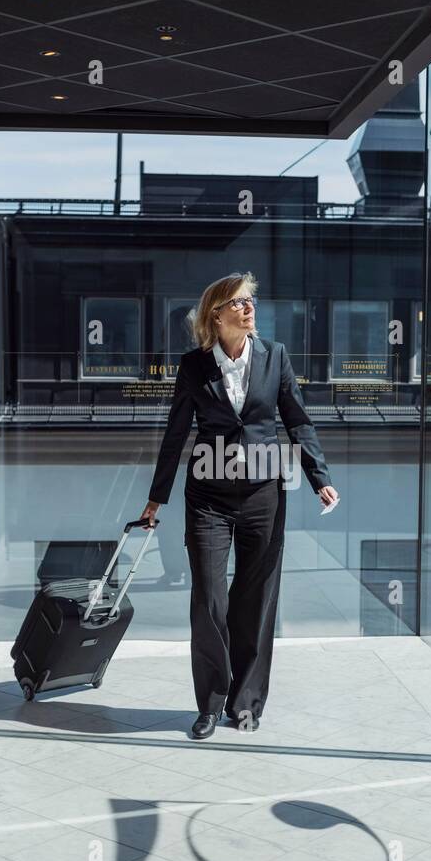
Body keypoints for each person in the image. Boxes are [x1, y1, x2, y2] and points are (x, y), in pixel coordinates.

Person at [138, 272, 338, 739]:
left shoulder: (276, 357)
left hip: (264, 497)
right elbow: (174, 435)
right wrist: (155, 498)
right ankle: (209, 704)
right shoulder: (194, 366)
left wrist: (319, 479)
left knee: (255, 601)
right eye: (239, 303)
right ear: (217, 313)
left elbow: (298, 423)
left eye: (251, 301)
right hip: (207, 497)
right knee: (209, 599)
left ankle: (245, 703)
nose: (249, 309)